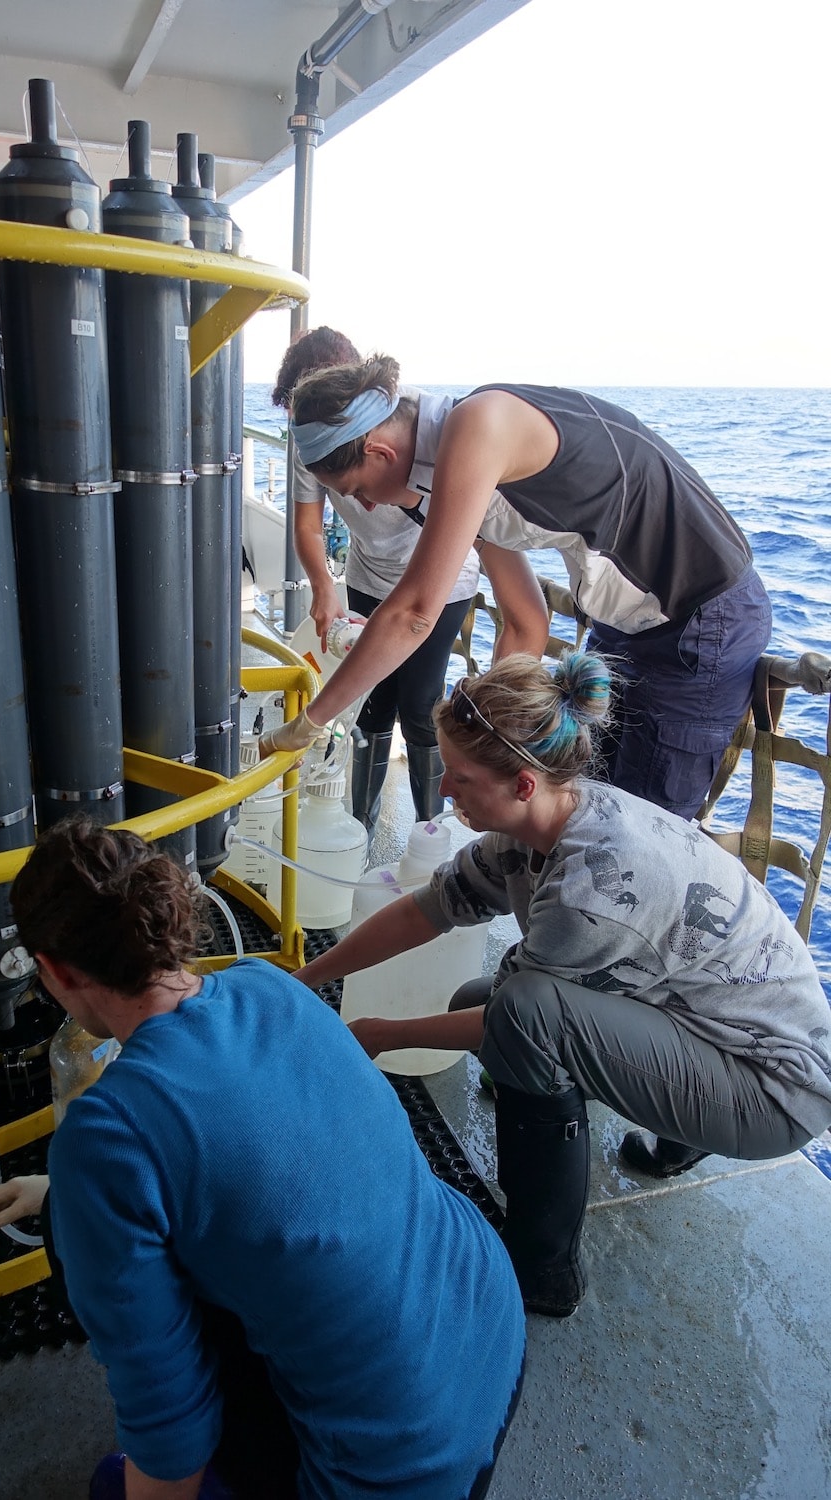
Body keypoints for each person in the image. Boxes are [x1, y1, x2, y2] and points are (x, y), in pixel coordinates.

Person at [0, 815, 525, 1500]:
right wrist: (66, 1193)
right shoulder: (272, 988)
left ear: (53, 971)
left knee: (115, 1484)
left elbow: (168, 1438)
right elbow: (250, 1153)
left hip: (397, 1468)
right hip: (488, 1329)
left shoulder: (106, 1131)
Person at [296, 654, 831, 1319]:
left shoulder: (593, 890)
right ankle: (674, 1123)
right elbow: (428, 908)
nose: (444, 786)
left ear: (522, 783)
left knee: (520, 1017)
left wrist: (378, 1037)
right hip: (716, 1018)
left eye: (460, 778)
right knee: (477, 1002)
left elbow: (513, 1017)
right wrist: (310, 976)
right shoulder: (551, 815)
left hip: (773, 1090)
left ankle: (544, 1270)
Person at [259, 359, 773, 821]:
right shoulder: (439, 478)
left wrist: (309, 723)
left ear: (379, 450)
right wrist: (487, 728)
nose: (367, 508)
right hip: (626, 625)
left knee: (645, 830)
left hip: (703, 618)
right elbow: (527, 618)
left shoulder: (480, 425)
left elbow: (415, 613)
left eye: (357, 492)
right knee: (583, 807)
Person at [273, 328, 481, 831]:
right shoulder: (312, 442)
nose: (363, 502)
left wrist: (304, 726)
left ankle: (430, 831)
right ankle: (360, 823)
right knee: (370, 704)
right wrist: (324, 584)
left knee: (420, 705)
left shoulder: (425, 427)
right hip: (367, 574)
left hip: (439, 582)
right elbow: (306, 524)